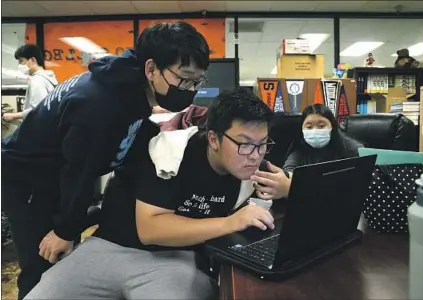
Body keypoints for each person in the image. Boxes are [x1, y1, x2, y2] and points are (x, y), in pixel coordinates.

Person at [1, 21, 209, 300]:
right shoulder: (98, 104)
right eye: (184, 79)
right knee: (43, 261)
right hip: (27, 182)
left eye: (198, 81)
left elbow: (134, 134)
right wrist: (65, 230)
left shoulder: (129, 86)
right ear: (151, 69)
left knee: (64, 244)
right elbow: (79, 172)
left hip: (62, 173)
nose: (190, 88)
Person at [24, 88, 275, 300]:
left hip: (176, 260)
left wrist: (286, 186)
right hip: (112, 246)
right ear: (213, 139)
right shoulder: (171, 152)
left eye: (262, 144)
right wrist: (230, 223)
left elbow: (290, 183)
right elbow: (151, 230)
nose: (254, 155)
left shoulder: (253, 166)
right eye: (244, 144)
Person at [251, 104, 363, 200]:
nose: (315, 130)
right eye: (309, 127)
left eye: (321, 125)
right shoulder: (299, 150)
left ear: (332, 127)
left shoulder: (351, 148)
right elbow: (288, 174)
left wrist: (295, 187)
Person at [2, 44, 58, 122]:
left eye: (21, 61)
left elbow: (38, 110)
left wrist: (14, 116)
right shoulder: (47, 78)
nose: (19, 65)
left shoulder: (38, 80)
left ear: (33, 60)